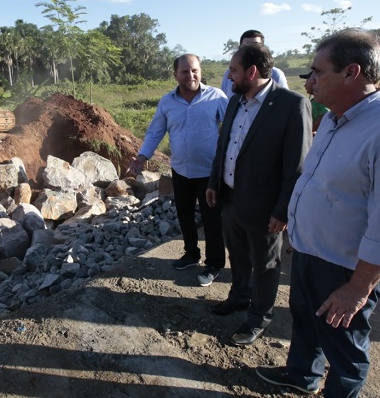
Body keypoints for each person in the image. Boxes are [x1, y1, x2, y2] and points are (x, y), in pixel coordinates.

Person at [255, 29, 380, 397]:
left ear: (351, 72)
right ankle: (301, 376)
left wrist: (357, 288)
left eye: (318, 72)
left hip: (346, 269)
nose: (310, 83)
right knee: (306, 324)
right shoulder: (335, 121)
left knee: (345, 347)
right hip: (310, 255)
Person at [206, 43, 312, 346]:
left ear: (252, 72)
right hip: (230, 198)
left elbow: (297, 165)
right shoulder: (235, 102)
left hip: (266, 208)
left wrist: (283, 211)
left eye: (234, 69)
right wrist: (215, 182)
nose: (229, 75)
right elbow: (223, 147)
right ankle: (239, 297)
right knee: (237, 255)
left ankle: (258, 317)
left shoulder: (291, 104)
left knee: (265, 264)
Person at [128, 54, 228, 286]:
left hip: (209, 173)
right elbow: (155, 132)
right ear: (175, 75)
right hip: (181, 171)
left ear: (200, 71)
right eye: (185, 72)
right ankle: (191, 254)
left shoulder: (216, 97)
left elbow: (232, 128)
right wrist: (141, 157)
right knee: (184, 215)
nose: (191, 75)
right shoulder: (167, 102)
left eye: (194, 70)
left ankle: (214, 264)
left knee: (212, 219)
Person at [221, 30, 288, 98]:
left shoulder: (276, 74)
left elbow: (284, 100)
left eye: (255, 45)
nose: (250, 50)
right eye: (245, 46)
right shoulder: (229, 75)